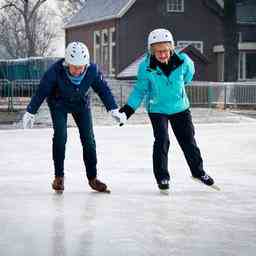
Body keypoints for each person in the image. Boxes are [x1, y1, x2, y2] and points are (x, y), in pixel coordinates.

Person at [119, 28, 216, 193]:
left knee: (188, 140)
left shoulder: (185, 61)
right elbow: (139, 91)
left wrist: (178, 92)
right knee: (162, 140)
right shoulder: (145, 67)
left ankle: (198, 172)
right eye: (158, 52)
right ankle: (162, 177)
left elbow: (187, 78)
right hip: (157, 108)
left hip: (180, 107)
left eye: (165, 50)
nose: (162, 54)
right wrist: (127, 111)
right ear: (152, 51)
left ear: (171, 48)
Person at [22, 41, 126, 193]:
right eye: (74, 67)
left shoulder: (92, 71)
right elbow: (42, 91)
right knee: (60, 136)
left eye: (81, 67)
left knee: (89, 139)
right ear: (67, 63)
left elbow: (103, 90)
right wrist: (30, 111)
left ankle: (93, 178)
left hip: (80, 105)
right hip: (58, 104)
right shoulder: (55, 71)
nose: (78, 71)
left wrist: (113, 109)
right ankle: (59, 178)